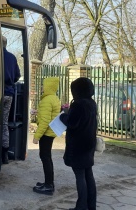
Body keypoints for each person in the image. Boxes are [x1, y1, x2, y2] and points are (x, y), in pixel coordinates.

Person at [60, 77, 98, 210]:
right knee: (88, 175)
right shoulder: (92, 103)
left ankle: (81, 206)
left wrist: (63, 115)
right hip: (89, 144)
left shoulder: (78, 104)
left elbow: (72, 123)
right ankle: (90, 205)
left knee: (80, 177)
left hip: (78, 146)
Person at [32, 77, 61, 195]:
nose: (42, 87)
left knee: (45, 157)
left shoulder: (46, 100)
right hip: (51, 132)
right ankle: (49, 183)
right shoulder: (54, 98)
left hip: (46, 133)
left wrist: (36, 136)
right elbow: (50, 114)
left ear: (48, 87)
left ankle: (48, 186)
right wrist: (38, 112)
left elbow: (44, 121)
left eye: (43, 85)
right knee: (47, 157)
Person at [1, 36, 21, 164]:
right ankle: (4, 154)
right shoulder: (12, 57)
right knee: (4, 124)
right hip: (9, 94)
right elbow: (17, 76)